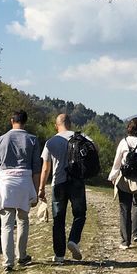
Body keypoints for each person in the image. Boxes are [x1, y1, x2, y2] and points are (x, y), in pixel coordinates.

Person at [0, 109, 42, 272]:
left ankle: (8, 262)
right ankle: (22, 255)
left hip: (5, 182)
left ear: (12, 120)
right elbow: (36, 168)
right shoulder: (32, 140)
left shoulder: (1, 139)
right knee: (23, 219)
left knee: (6, 225)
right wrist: (36, 190)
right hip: (24, 181)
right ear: (25, 122)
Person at [37, 113, 96, 264]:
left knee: (58, 219)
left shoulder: (51, 142)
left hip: (58, 183)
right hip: (77, 181)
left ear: (56, 125)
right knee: (80, 214)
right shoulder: (82, 137)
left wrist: (41, 188)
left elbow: (45, 168)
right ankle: (74, 240)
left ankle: (59, 256)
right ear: (70, 124)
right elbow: (95, 149)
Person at [108, 117, 137, 248]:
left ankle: (125, 241)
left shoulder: (123, 142)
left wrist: (112, 176)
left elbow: (117, 161)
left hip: (124, 178)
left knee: (124, 208)